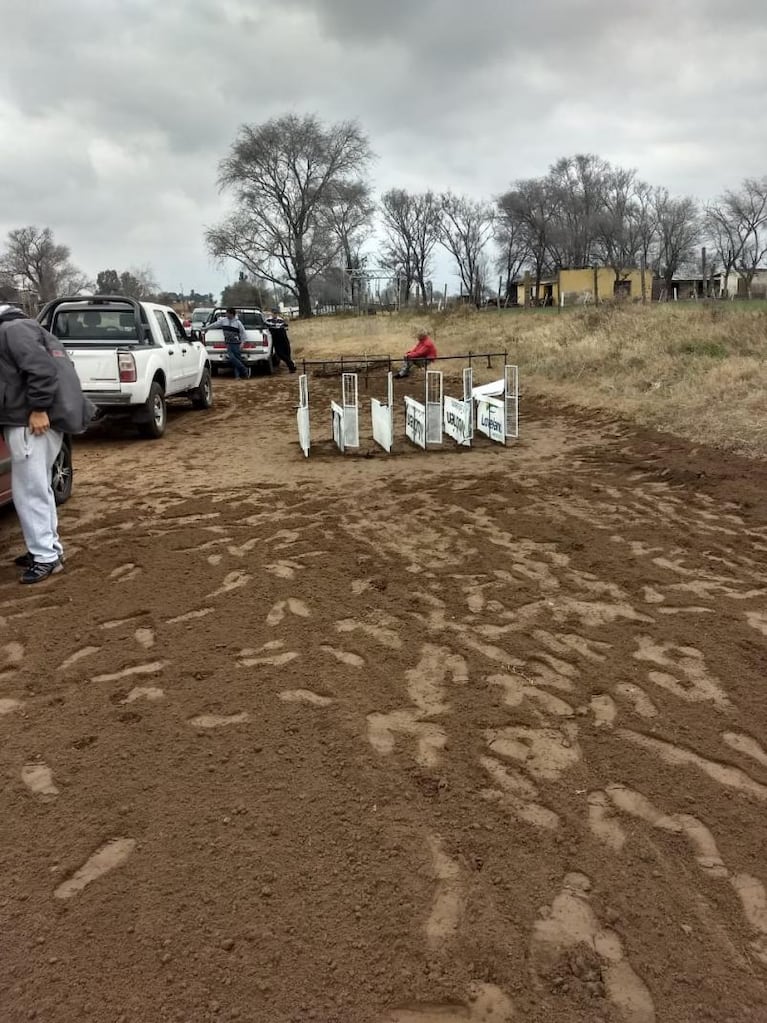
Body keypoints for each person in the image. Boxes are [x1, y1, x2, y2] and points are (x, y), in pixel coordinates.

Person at [0, 303, 92, 583]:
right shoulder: (26, 327)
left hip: (30, 422)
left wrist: (39, 409)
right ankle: (46, 549)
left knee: (30, 491)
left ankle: (46, 558)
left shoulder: (12, 330)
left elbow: (40, 370)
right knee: (39, 487)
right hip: (34, 420)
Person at [201, 307, 250, 379]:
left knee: (237, 359)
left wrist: (242, 343)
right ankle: (244, 369)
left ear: (231, 314)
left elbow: (243, 334)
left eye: (227, 313)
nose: (226, 314)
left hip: (236, 343)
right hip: (228, 343)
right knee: (232, 358)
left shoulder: (238, 323)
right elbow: (215, 325)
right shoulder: (223, 321)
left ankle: (238, 376)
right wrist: (206, 328)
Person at [265, 308, 296, 373]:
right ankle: (290, 363)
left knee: (287, 351)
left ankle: (291, 367)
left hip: (283, 336)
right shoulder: (268, 320)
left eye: (276, 313)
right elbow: (267, 328)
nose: (275, 315)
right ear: (271, 313)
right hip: (275, 337)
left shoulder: (281, 320)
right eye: (274, 313)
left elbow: (286, 327)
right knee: (279, 353)